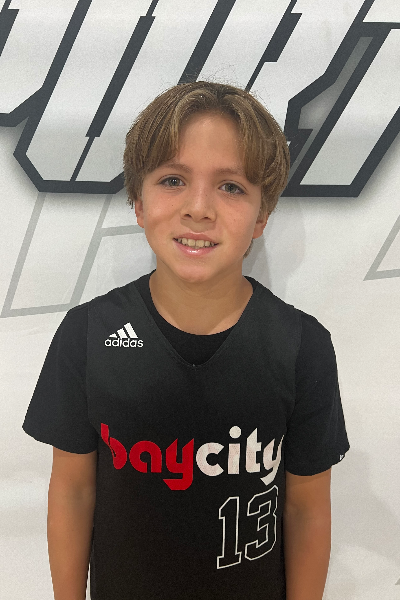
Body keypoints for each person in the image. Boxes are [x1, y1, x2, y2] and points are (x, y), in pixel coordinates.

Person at [22, 81, 350, 600]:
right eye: (173, 180)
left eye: (231, 187)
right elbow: (73, 489)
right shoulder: (87, 334)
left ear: (262, 215)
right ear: (138, 202)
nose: (199, 208)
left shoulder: (301, 346)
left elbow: (306, 506)